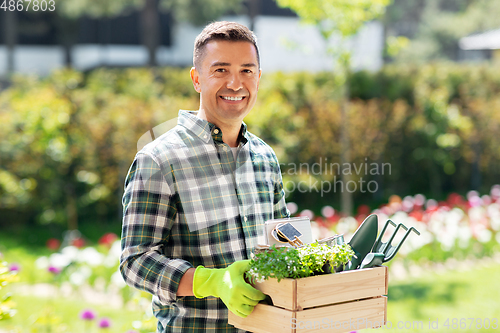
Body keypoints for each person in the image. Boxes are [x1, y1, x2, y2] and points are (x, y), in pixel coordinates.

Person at [120, 21, 289, 332]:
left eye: (247, 71)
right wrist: (214, 281)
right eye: (221, 70)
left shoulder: (265, 157)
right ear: (197, 78)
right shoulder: (159, 159)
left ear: (259, 78)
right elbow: (135, 263)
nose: (236, 84)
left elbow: (282, 243)